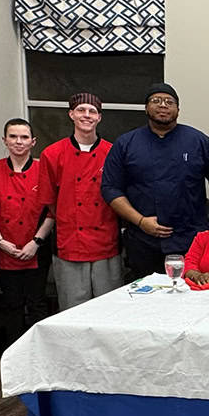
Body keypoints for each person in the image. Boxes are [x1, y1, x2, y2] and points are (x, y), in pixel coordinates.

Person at [103, 83, 209, 282]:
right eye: (156, 101)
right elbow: (110, 189)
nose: (163, 105)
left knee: (193, 294)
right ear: (146, 108)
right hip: (142, 240)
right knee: (145, 295)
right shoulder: (126, 144)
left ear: (178, 110)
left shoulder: (198, 141)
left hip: (191, 240)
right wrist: (140, 221)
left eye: (169, 102)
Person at [38, 92, 122, 310]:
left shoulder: (113, 152)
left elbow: (120, 196)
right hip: (70, 242)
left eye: (92, 111)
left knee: (109, 309)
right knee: (72, 310)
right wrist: (69, 217)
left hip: (106, 241)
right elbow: (49, 200)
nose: (87, 115)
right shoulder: (52, 154)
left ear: (99, 117)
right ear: (71, 114)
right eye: (81, 110)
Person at [0, 118, 55, 345]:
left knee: (37, 302)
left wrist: (36, 242)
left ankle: (38, 352)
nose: (18, 141)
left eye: (24, 137)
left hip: (36, 248)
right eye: (13, 136)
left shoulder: (44, 169)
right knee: (11, 303)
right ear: (5, 140)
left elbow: (53, 211)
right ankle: (13, 351)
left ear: (33, 141)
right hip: (4, 248)